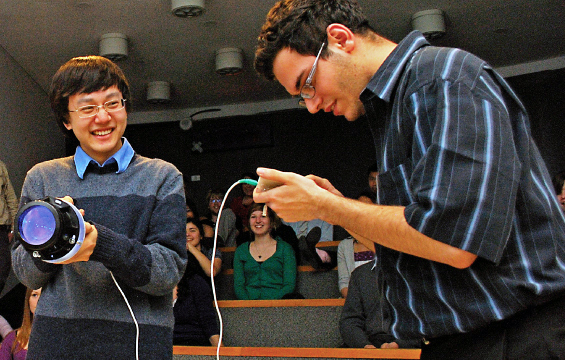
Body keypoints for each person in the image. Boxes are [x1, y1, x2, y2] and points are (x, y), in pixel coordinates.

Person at [252, 1, 565, 359]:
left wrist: (327, 205)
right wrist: (333, 208)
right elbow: (415, 239)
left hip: (517, 336)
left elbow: (453, 241)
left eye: (307, 83)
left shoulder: (444, 77)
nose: (311, 105)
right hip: (456, 340)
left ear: (340, 39)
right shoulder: (392, 107)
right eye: (301, 98)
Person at [11, 56, 187, 360]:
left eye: (112, 103)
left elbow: (167, 272)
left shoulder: (162, 176)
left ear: (125, 107)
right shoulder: (42, 177)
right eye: (88, 107)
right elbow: (27, 275)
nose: (102, 117)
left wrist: (99, 244)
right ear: (67, 120)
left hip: (138, 343)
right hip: (57, 344)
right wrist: (55, 240)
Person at [340, 261, 419, 349]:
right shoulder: (360, 274)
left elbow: (430, 321)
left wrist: (400, 344)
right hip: (368, 344)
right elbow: (350, 320)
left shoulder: (421, 272)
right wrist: (364, 345)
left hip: (408, 345)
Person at [233, 203, 297, 300]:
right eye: (253, 217)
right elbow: (239, 286)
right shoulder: (241, 250)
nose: (258, 221)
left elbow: (289, 285)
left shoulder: (285, 249)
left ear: (271, 221)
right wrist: (249, 306)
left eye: (263, 216)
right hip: (247, 309)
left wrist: (270, 305)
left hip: (278, 308)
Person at [173, 252, 221, 347]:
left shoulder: (196, 282)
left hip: (193, 343)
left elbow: (208, 321)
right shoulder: (156, 286)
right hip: (162, 344)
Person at [0, 288, 41, 360]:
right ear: (28, 300)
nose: (39, 301)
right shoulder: (12, 338)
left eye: (44, 295)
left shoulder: (61, 337)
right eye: (34, 295)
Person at [0, 159, 18, 292]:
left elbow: (10, 197)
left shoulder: (0, 166)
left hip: (1, 229)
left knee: (3, 268)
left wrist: (13, 227)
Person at [230, 172, 258, 244]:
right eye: (245, 183)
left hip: (255, 231)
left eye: (250, 183)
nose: (248, 186)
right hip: (238, 233)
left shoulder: (260, 201)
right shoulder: (236, 201)